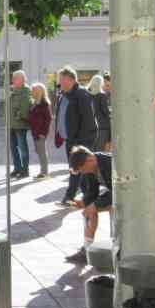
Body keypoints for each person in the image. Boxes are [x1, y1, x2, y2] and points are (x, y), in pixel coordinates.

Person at [54, 66, 98, 206]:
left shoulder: (81, 94)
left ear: (71, 79)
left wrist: (80, 142)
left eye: (62, 80)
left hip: (81, 140)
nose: (60, 83)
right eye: (60, 80)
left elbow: (88, 120)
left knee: (78, 168)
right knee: (76, 169)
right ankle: (85, 198)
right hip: (70, 139)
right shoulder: (63, 94)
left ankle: (72, 197)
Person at [65, 146, 113, 264]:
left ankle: (115, 245)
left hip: (129, 194)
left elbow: (119, 192)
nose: (83, 172)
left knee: (112, 208)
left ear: (89, 160)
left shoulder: (110, 163)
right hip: (115, 194)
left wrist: (94, 205)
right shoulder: (90, 168)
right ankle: (87, 250)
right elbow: (92, 192)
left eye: (82, 169)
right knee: (89, 210)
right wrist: (84, 203)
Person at [9, 70, 32, 179]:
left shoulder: (25, 91)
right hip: (11, 125)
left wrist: (17, 116)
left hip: (20, 125)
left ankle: (25, 170)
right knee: (13, 148)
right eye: (13, 78)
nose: (13, 80)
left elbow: (24, 109)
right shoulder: (13, 91)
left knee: (22, 148)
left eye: (15, 78)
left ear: (22, 80)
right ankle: (17, 168)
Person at [29, 82, 52, 179]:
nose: (31, 92)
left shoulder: (44, 104)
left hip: (40, 133)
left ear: (39, 92)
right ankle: (43, 171)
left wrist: (43, 133)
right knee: (39, 151)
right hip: (35, 131)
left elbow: (48, 119)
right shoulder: (34, 103)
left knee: (42, 152)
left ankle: (45, 173)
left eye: (33, 91)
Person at [88, 74, 111, 152]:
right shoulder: (101, 95)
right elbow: (106, 112)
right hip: (102, 128)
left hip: (91, 127)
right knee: (100, 151)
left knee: (92, 150)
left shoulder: (87, 94)